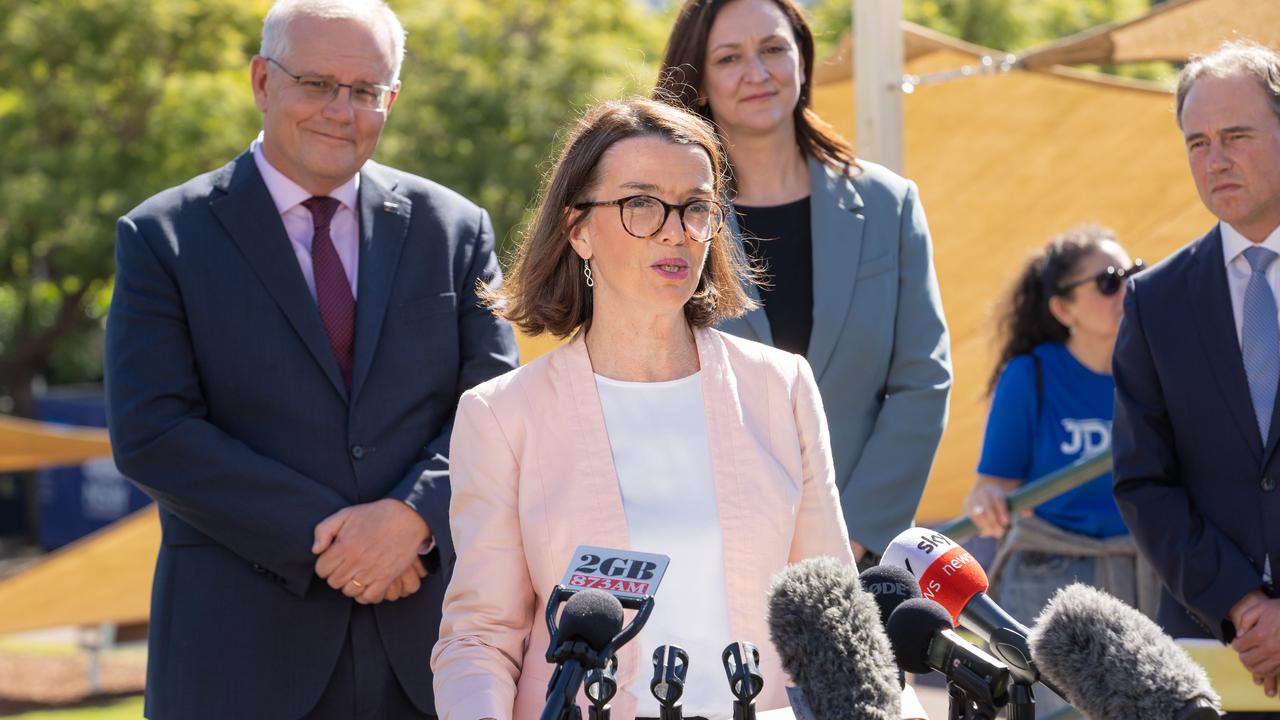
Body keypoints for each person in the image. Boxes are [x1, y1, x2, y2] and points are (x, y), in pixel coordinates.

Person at [431, 98, 926, 720]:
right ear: (577, 229)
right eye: (640, 203)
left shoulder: (783, 387)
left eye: (696, 207)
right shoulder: (501, 416)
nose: (674, 230)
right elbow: (481, 635)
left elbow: (832, 612)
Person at [103, 0, 518, 717]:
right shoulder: (162, 236)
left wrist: (412, 518)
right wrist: (332, 538)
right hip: (239, 654)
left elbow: (499, 406)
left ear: (391, 98)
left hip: (430, 651)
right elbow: (153, 432)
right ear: (264, 82)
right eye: (318, 84)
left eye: (366, 92)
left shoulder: (454, 229)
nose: (341, 110)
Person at [655, 0, 952, 568]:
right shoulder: (666, 221)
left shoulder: (889, 205)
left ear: (802, 60)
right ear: (696, 84)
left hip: (858, 563)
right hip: (704, 556)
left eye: (773, 49)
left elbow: (923, 379)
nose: (757, 72)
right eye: (729, 57)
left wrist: (854, 538)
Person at [1113, 41, 1280, 715]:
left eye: (1237, 135)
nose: (1216, 159)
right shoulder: (1156, 301)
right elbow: (1142, 480)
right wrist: (1244, 606)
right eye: (1198, 142)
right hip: (1211, 657)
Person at [963, 227, 1154, 711]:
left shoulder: (1160, 369)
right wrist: (985, 501)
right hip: (1052, 580)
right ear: (1063, 310)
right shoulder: (1032, 374)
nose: (1127, 288)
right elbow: (993, 486)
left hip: (1145, 575)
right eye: (1110, 280)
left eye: (1134, 273)